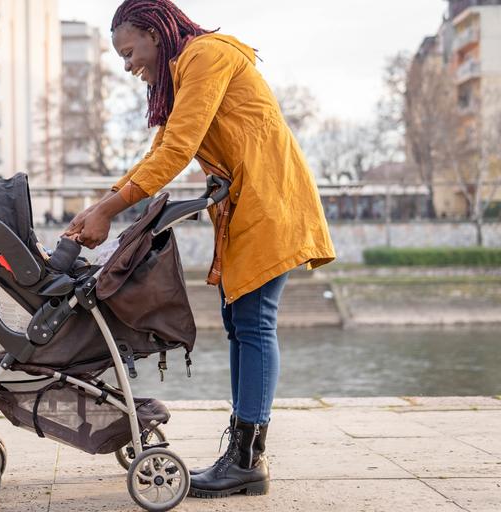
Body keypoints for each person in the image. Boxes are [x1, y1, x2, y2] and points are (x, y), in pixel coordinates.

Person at [63, 0, 335, 499]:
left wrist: (108, 210)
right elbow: (160, 150)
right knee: (240, 323)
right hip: (248, 208)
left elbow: (177, 151)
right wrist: (102, 206)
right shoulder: (184, 73)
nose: (127, 66)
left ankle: (247, 460)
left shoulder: (205, 56)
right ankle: (243, 455)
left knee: (254, 324)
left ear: (154, 32)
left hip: (269, 203)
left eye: (129, 52)